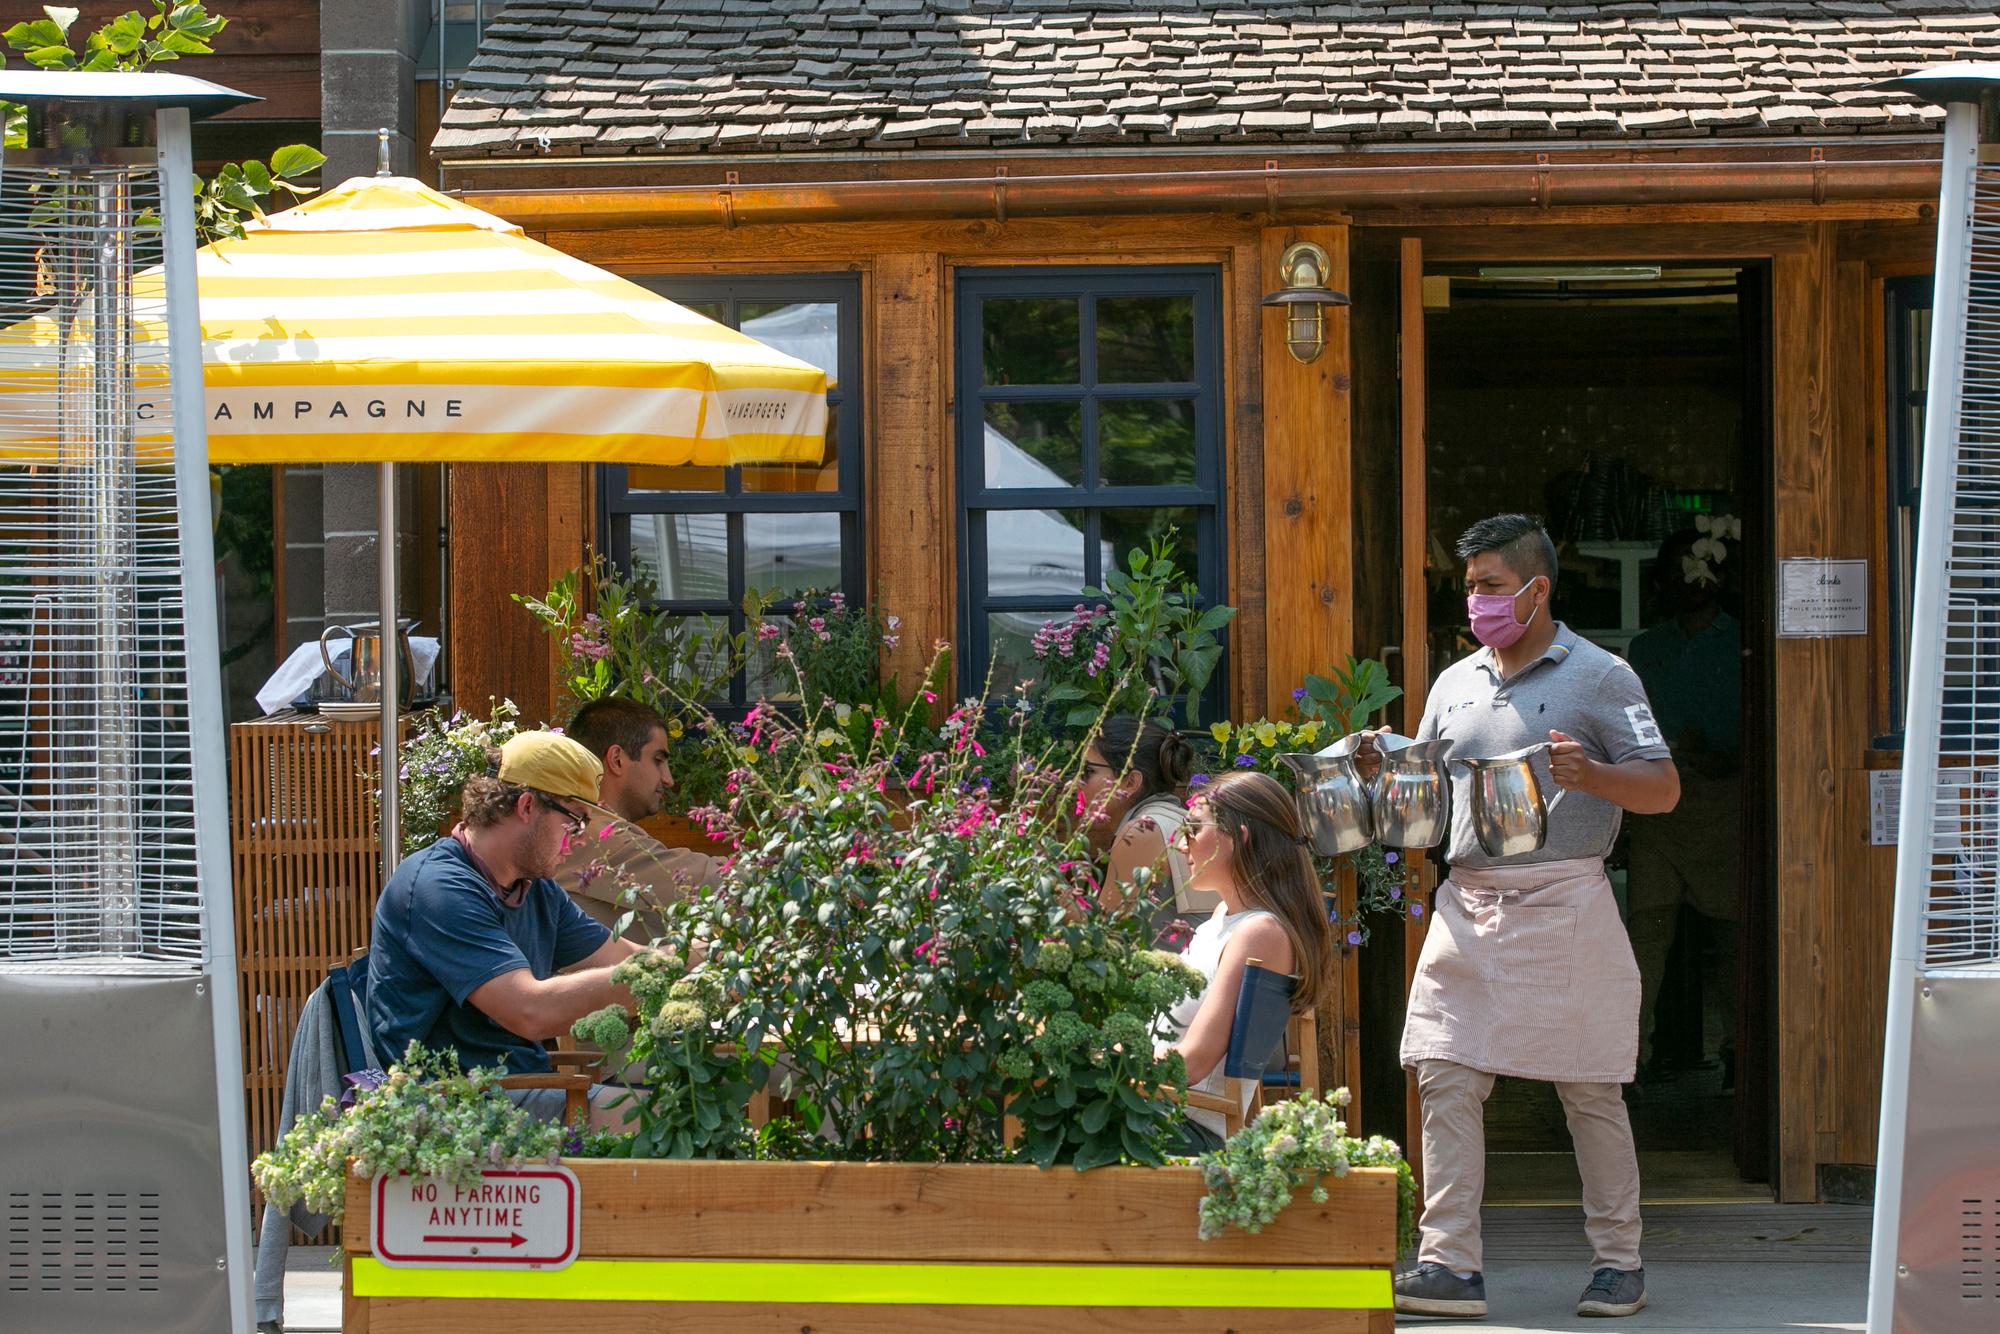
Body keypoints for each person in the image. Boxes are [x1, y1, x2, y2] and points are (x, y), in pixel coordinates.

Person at [1358, 514, 1679, 1321]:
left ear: (1537, 590)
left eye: (1490, 587)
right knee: (1443, 1073)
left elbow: (1665, 788)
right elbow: (1423, 799)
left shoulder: (1605, 677)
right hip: (1467, 902)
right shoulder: (1454, 680)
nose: (1475, 602)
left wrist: (1597, 775)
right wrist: (1381, 767)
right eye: (1468, 588)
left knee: (1590, 1088)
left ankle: (1619, 1262)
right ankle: (1449, 1266)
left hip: (1566, 898)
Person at [366, 731, 642, 1125]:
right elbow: (529, 1010)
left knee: (690, 1110)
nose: (581, 840)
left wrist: (695, 961)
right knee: (674, 1125)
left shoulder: (536, 888)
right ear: (527, 806)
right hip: (454, 1113)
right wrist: (647, 975)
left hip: (519, 1089)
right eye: (575, 821)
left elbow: (622, 955)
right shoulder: (437, 888)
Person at [1161, 770, 1336, 1150]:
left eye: (1194, 829)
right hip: (1157, 1112)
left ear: (1238, 839)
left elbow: (1192, 1064)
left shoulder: (1259, 934)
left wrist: (1107, 1062)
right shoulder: (1224, 918)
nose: (1181, 845)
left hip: (1178, 1128)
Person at [1625, 528, 1742, 1085]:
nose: (1692, 582)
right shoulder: (1646, 650)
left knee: (1735, 940)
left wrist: (1726, 758)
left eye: (1700, 569)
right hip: (1657, 812)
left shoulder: (1744, 644)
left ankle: (1742, 1059)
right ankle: (1628, 1060)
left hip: (1723, 805)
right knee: (1645, 939)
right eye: (1680, 572)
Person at [561, 697, 723, 942]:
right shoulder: (590, 835)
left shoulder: (587, 828)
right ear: (617, 759)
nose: (668, 779)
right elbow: (712, 881)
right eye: (658, 760)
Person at [1078, 717, 1203, 931]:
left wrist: (1052, 892)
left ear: (1130, 782)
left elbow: (1100, 935)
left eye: (1087, 771)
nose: (1075, 782)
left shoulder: (1142, 831)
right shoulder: (1173, 818)